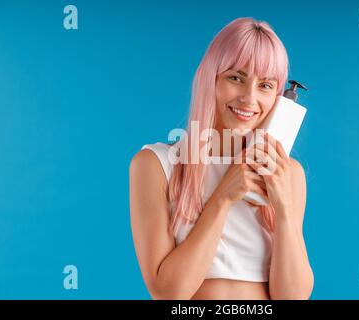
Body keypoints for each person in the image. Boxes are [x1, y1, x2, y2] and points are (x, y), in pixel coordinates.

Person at [129, 17, 313, 300]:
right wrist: (224, 196)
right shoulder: (156, 164)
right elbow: (169, 294)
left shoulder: (289, 174)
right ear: (210, 78)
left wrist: (284, 210)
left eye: (265, 85)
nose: (249, 99)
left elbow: (293, 297)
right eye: (236, 78)